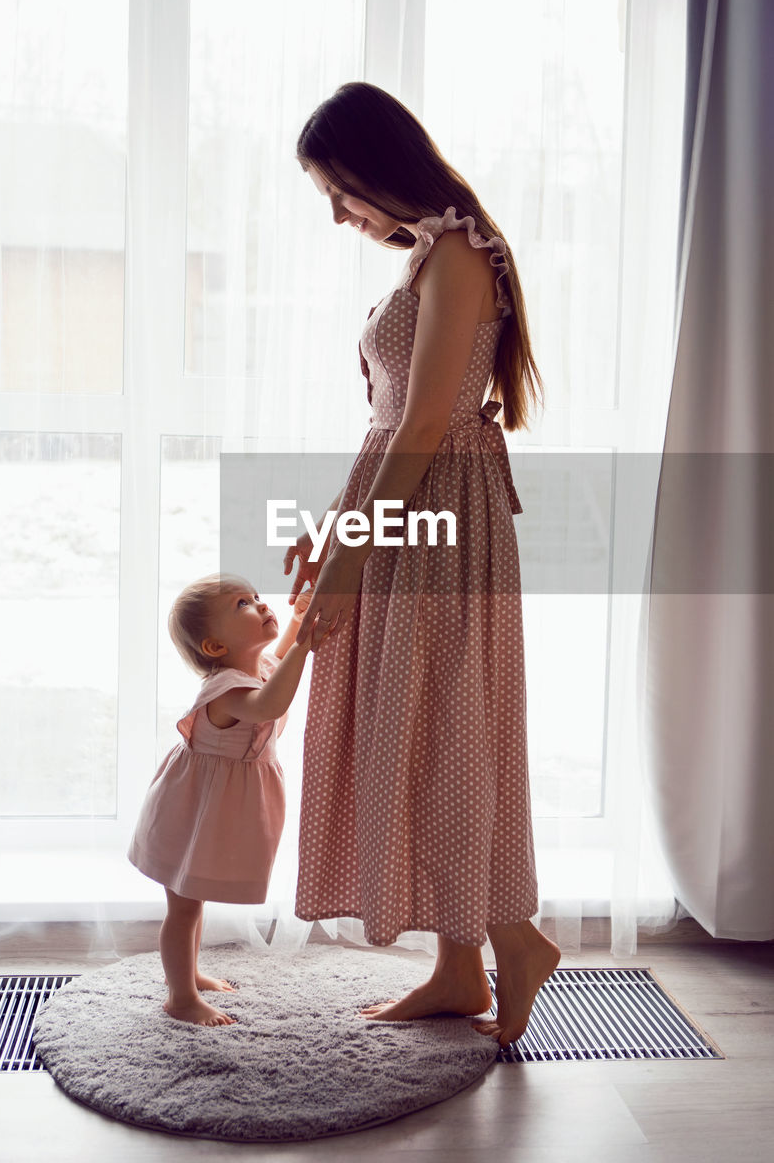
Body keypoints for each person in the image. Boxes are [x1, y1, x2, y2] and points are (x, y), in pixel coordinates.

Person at [283, 81, 561, 1047]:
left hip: (438, 518)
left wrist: (351, 559)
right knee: (425, 728)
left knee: (445, 727)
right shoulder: (424, 257)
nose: (337, 213)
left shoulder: (458, 258)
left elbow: (428, 429)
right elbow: (387, 424)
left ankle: (513, 943)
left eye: (339, 189)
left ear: (378, 164)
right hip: (405, 506)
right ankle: (458, 966)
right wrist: (329, 533)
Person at [127, 574, 324, 1027]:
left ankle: (188, 974)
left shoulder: (261, 668)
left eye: (256, 597)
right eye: (243, 604)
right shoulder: (227, 690)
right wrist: (304, 647)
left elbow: (279, 655)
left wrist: (299, 619)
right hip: (190, 811)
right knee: (183, 906)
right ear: (215, 647)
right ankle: (181, 997)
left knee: (192, 900)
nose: (260, 605)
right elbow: (268, 706)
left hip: (214, 812)